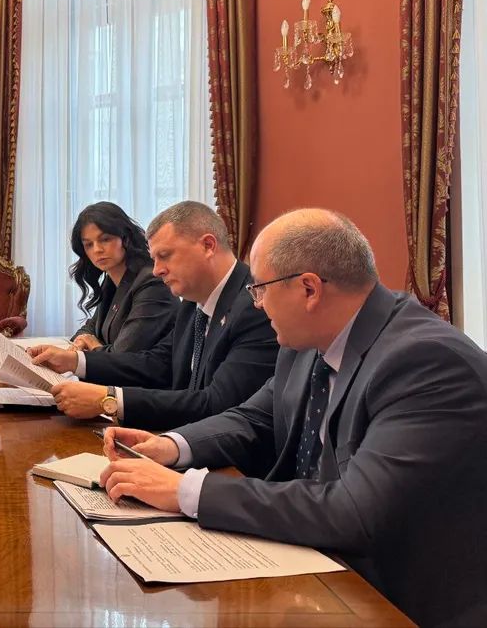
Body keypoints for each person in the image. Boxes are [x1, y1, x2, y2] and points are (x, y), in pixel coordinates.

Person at [100, 209, 487, 626]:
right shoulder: (307, 340)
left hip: (398, 599)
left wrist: (186, 491)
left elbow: (355, 512)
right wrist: (171, 446)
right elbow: (254, 418)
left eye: (259, 289)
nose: (256, 303)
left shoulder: (425, 361)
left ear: (308, 289)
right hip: (317, 569)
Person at [30, 201, 278, 430]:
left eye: (165, 256)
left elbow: (217, 404)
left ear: (208, 245)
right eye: (154, 259)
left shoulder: (256, 306)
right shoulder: (192, 303)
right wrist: (75, 361)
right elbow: (157, 364)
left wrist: (110, 400)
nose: (157, 270)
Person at [68, 201, 178, 354]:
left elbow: (123, 354)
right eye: (89, 244)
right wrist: (82, 340)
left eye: (105, 239)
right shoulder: (111, 281)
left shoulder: (152, 282)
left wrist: (94, 346)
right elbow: (90, 328)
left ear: (125, 238)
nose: (97, 250)